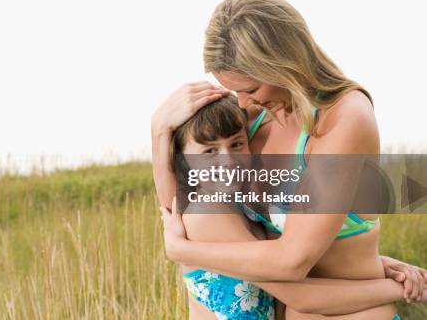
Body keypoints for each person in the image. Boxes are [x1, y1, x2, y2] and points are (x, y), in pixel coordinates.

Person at [152, 0, 427, 319]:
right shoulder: (255, 119)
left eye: (250, 89)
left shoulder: (344, 118)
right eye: (235, 90)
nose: (241, 103)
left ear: (282, 64)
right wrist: (159, 133)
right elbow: (191, 207)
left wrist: (185, 251)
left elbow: (293, 260)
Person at [162, 95, 424, 319]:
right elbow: (300, 294)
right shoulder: (207, 216)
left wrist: (382, 264)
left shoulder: (240, 204)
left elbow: (286, 251)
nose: (228, 160)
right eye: (209, 152)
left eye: (237, 144)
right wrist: (400, 288)